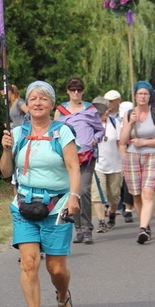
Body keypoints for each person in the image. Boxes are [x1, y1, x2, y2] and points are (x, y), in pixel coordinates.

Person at [0, 81, 81, 307]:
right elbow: (5, 172)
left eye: (43, 99)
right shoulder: (17, 133)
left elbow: (73, 168)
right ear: (27, 103)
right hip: (24, 205)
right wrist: (6, 149)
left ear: (51, 105)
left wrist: (74, 197)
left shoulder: (62, 132)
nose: (37, 102)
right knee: (29, 263)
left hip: (57, 205)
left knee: (56, 269)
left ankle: (61, 295)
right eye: (33, 98)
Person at [54, 77, 104, 244]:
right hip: (69, 157)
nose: (76, 93)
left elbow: (100, 130)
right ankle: (79, 229)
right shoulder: (60, 111)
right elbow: (55, 133)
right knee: (72, 192)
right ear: (67, 91)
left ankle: (88, 228)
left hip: (87, 157)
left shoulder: (90, 109)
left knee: (83, 190)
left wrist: (95, 139)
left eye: (79, 89)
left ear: (83, 91)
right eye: (73, 89)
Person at [119, 80, 155, 244]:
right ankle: (145, 226)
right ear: (135, 95)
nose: (143, 96)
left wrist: (145, 142)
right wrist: (130, 123)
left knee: (148, 192)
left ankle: (142, 229)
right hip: (132, 157)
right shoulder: (128, 114)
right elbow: (122, 140)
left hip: (152, 156)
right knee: (136, 195)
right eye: (140, 93)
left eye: (146, 93)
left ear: (150, 96)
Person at [90, 95, 123, 233]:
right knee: (98, 194)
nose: (104, 113)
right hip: (98, 166)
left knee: (114, 195)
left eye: (106, 110)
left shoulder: (115, 123)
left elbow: (120, 143)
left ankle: (112, 214)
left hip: (115, 165)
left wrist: (124, 160)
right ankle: (101, 221)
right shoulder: (90, 125)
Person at [118, 101, 136, 222]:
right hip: (116, 155)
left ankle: (128, 208)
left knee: (128, 182)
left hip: (132, 154)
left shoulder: (137, 122)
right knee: (118, 184)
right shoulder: (116, 122)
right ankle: (120, 205)